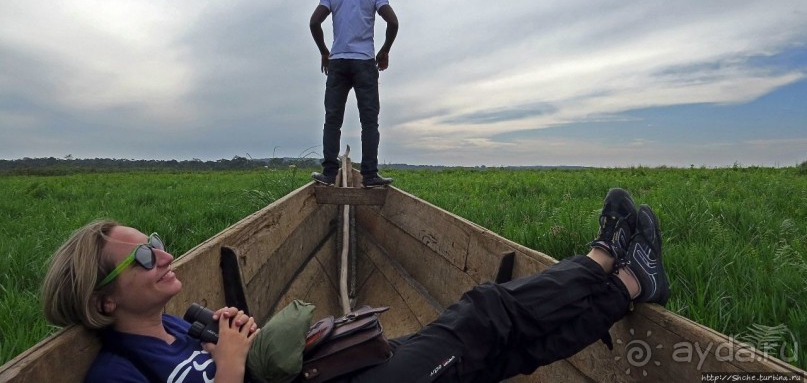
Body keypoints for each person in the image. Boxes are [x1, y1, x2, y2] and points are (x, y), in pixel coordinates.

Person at [42, 188, 670, 382]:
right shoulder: (117, 372)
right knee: (483, 314)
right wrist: (233, 365)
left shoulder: (176, 327)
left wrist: (245, 343)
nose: (163, 255)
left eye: (153, 242)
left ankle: (630, 284)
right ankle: (601, 260)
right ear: (103, 301)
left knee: (500, 350)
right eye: (142, 258)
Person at [309, 0, 399, 188]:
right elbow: (393, 22)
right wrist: (385, 50)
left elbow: (314, 22)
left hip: (338, 63)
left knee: (332, 120)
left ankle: (329, 173)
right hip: (364, 63)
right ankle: (369, 176)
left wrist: (324, 52)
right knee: (369, 122)